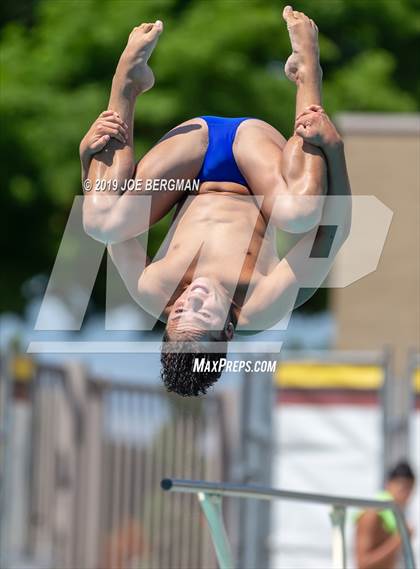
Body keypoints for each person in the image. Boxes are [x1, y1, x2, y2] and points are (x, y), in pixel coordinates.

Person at [80, 7, 352, 396]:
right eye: (203, 312)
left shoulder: (153, 291)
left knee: (100, 222)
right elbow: (334, 232)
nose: (193, 298)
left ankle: (127, 83)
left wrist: (86, 159)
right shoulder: (261, 304)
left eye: (179, 312)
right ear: (227, 328)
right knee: (301, 213)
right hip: (254, 168)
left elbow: (108, 211)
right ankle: (307, 75)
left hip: (187, 165)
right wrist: (334, 149)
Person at [355, 461, 416, 569]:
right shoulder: (372, 515)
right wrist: (398, 540)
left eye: (410, 488)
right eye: (402, 486)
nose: (406, 494)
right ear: (389, 484)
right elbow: (362, 563)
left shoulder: (394, 516)